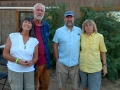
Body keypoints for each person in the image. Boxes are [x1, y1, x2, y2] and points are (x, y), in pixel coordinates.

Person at [3, 17, 39, 90]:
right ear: (22, 24)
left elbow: (36, 57)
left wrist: (32, 62)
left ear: (32, 26)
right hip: (15, 70)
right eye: (25, 22)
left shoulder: (34, 40)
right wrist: (17, 60)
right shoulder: (12, 36)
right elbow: (5, 54)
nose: (27, 24)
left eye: (29, 23)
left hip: (29, 71)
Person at [53, 11, 82, 90]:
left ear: (74, 18)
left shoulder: (79, 30)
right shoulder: (59, 31)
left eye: (71, 17)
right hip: (62, 62)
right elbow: (55, 45)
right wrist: (57, 60)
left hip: (75, 63)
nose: (69, 19)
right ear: (64, 19)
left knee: (75, 86)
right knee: (61, 85)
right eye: (67, 17)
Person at [79, 19, 107, 90]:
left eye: (90, 25)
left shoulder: (99, 36)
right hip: (83, 68)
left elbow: (103, 51)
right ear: (84, 28)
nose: (88, 27)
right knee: (84, 87)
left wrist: (104, 66)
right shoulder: (81, 36)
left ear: (94, 27)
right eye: (86, 26)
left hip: (94, 68)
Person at [32, 3, 50, 90]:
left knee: (45, 85)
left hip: (45, 61)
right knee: (32, 86)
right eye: (38, 10)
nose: (39, 12)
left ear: (44, 13)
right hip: (33, 63)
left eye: (42, 10)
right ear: (33, 12)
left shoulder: (46, 25)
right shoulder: (28, 25)